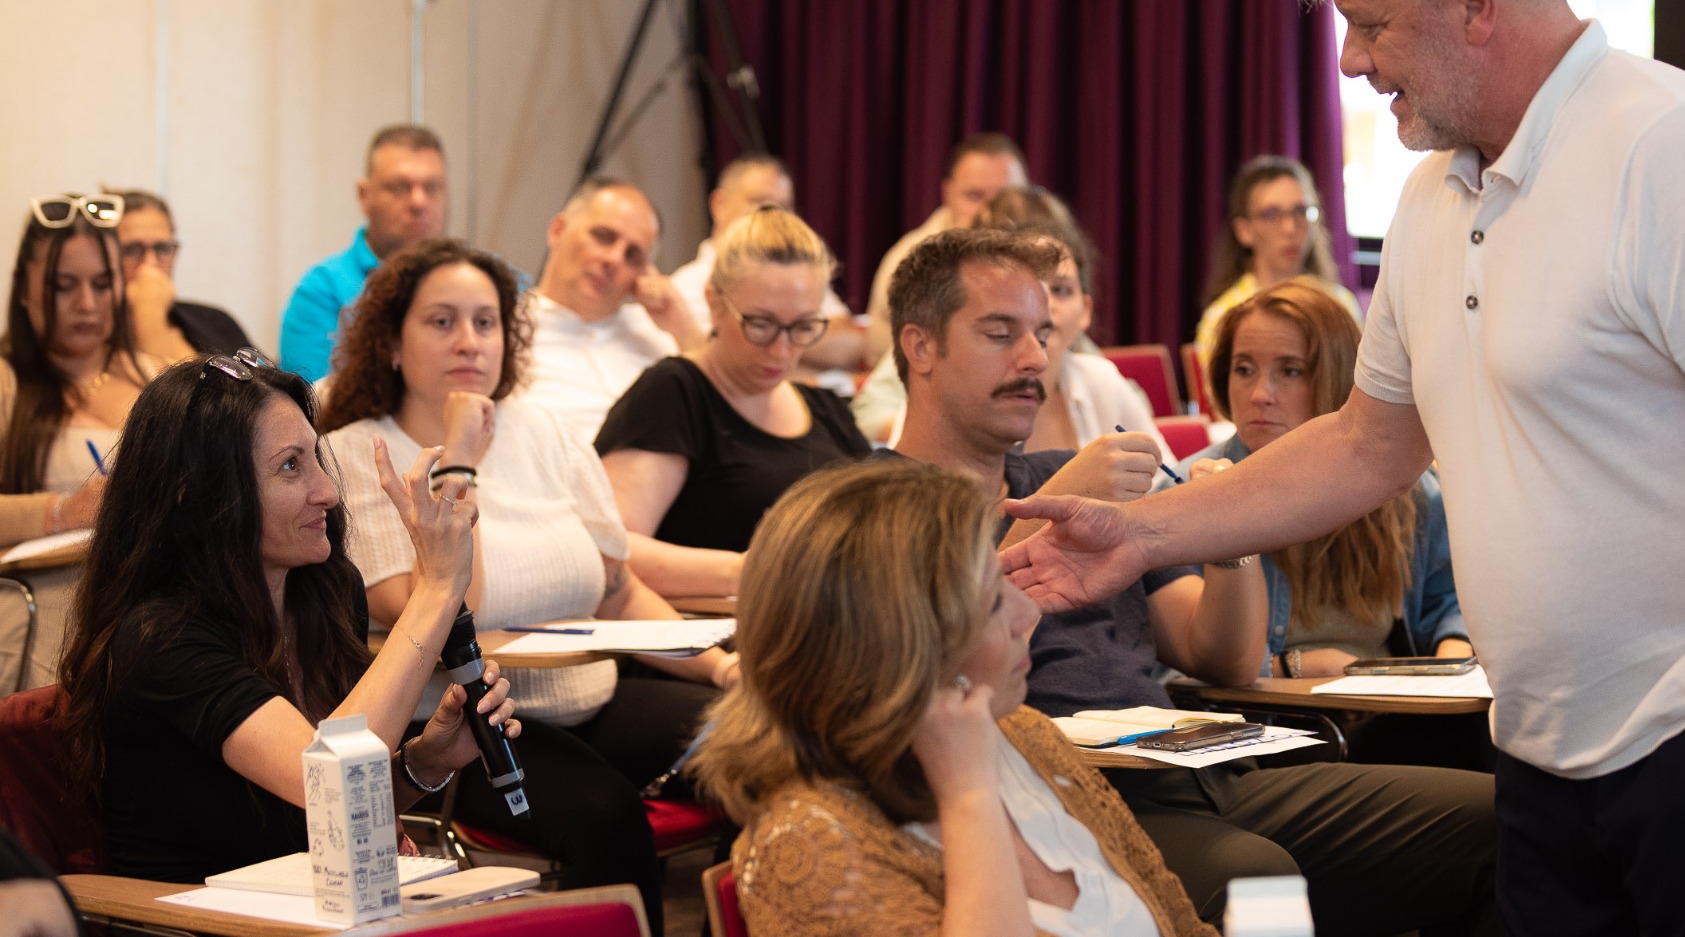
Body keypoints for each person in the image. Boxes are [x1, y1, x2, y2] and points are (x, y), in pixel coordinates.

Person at [1002, 0, 1685, 933]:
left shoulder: (1673, 147)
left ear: (1475, 5)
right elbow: (1366, 443)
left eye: (1371, 24)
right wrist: (1142, 534)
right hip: (1546, 737)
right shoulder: (1435, 193)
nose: (1349, 61)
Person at [885, 228, 1496, 933]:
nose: (1035, 359)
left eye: (1043, 334)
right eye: (1001, 334)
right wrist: (1056, 500)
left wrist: (1222, 529)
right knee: (1253, 876)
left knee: (1501, 823)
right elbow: (916, 665)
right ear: (920, 346)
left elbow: (1223, 659)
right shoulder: (865, 504)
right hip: (1061, 796)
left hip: (1199, 769)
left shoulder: (1067, 475)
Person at [318, 239, 728, 933]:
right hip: (461, 726)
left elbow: (618, 592)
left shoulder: (545, 430)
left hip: (589, 697)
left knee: (769, 742)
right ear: (390, 341)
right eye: (442, 321)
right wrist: (460, 462)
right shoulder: (361, 453)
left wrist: (720, 668)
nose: (469, 341)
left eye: (486, 322)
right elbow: (442, 609)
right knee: (604, 815)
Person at [691, 459, 1216, 937]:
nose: (1029, 613)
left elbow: (1182, 927)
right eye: (992, 604)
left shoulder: (1023, 734)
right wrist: (968, 797)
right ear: (902, 651)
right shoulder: (810, 846)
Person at [57, 350, 520, 885]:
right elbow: (329, 782)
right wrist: (436, 590)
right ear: (195, 491)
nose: (327, 492)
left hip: (310, 901)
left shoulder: (328, 594)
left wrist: (425, 762)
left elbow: (330, 814)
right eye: (290, 467)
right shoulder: (160, 638)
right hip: (203, 917)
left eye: (315, 458)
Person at [1178, 280, 1488, 770]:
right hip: (1266, 733)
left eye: (1290, 371)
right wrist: (1293, 666)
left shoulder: (1405, 489)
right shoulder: (1186, 491)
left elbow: (1449, 601)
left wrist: (1450, 659)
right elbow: (1177, 667)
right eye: (1244, 369)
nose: (1260, 394)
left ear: (1341, 379)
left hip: (1389, 718)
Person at [596, 209, 869, 598]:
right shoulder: (675, 393)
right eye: (760, 325)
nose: (782, 350)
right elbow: (613, 550)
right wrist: (751, 571)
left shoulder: (827, 410)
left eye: (803, 327)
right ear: (715, 304)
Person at [852, 188, 1169, 456]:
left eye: (1060, 290)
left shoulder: (1098, 376)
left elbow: (1166, 484)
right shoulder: (948, 389)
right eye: (1000, 334)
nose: (1036, 359)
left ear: (1086, 308)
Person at [0, 196, 153, 541]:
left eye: (102, 285)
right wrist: (62, 512)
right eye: (63, 286)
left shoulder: (152, 375)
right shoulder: (6, 384)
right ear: (22, 287)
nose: (86, 304)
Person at [520, 177, 702, 448]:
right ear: (558, 231)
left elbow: (726, 409)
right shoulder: (505, 326)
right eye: (603, 237)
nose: (615, 259)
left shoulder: (658, 335)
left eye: (632, 255)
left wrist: (682, 326)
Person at [279, 125, 448, 383]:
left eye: (432, 187)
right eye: (400, 187)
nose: (419, 202)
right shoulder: (320, 291)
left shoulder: (484, 283)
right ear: (364, 195)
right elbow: (315, 403)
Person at [669, 154, 864, 371]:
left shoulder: (798, 273)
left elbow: (851, 343)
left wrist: (767, 339)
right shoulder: (683, 288)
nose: (773, 216)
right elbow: (727, 369)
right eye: (760, 324)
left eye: (784, 207)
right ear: (719, 205)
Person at [865, 132, 1028, 366]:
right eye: (975, 196)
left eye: (1004, 197)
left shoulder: (1041, 252)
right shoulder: (913, 260)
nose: (989, 211)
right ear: (947, 194)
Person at [1193, 157, 1356, 382]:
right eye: (1271, 214)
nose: (1290, 228)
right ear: (1244, 230)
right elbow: (1219, 398)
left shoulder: (1340, 303)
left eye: (1301, 211)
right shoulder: (1223, 316)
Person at [106, 187, 252, 361]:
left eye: (162, 248)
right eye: (131, 250)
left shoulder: (215, 321)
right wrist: (148, 313)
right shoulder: (91, 337)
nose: (150, 264)